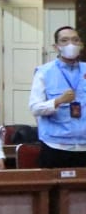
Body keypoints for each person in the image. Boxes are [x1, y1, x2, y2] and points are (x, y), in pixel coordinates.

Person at [29, 26, 86, 167]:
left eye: (75, 40)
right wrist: (58, 101)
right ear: (56, 47)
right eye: (64, 41)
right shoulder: (44, 72)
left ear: (81, 45)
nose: (71, 44)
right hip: (56, 145)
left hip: (84, 144)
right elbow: (35, 108)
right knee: (55, 188)